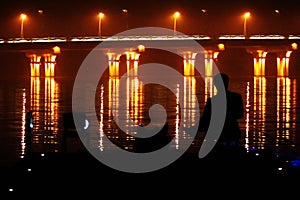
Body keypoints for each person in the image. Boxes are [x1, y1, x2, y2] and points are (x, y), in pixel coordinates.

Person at [199, 73, 245, 158]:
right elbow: (240, 114)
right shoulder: (236, 97)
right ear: (227, 83)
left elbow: (205, 119)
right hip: (232, 132)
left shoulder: (211, 101)